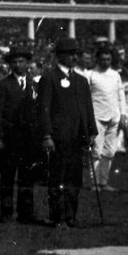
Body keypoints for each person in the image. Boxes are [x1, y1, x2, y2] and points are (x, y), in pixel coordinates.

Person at [38, 37, 97, 228]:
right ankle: (57, 216)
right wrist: (47, 135)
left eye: (75, 54)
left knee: (74, 178)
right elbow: (44, 109)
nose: (74, 57)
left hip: (77, 137)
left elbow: (87, 108)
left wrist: (91, 132)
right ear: (60, 56)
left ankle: (71, 216)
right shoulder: (49, 78)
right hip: (58, 137)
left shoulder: (81, 80)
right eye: (70, 54)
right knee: (57, 178)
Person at [0, 46, 41, 223]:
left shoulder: (34, 85)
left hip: (29, 141)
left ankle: (26, 212)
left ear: (27, 63)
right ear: (10, 65)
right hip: (9, 140)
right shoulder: (3, 85)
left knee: (27, 178)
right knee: (8, 177)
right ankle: (6, 212)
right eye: (15, 62)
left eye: (22, 61)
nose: (18, 65)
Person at [88, 45, 125, 192]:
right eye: (102, 59)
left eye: (108, 59)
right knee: (96, 151)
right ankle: (94, 183)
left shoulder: (116, 75)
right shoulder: (90, 74)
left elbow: (121, 96)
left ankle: (104, 182)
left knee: (109, 152)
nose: (105, 62)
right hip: (97, 117)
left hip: (114, 117)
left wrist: (123, 114)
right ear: (97, 59)